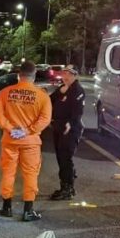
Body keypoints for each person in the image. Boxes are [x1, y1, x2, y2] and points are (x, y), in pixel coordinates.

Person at [0, 60, 52, 221]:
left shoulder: (6, 92)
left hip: (10, 140)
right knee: (30, 173)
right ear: (34, 76)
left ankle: (7, 207)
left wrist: (10, 128)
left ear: (19, 75)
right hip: (30, 142)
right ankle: (28, 210)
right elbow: (45, 119)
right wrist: (29, 130)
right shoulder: (42, 95)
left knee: (8, 172)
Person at [49, 65, 85, 200]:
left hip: (70, 129)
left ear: (74, 75)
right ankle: (65, 184)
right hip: (58, 127)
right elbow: (49, 100)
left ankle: (68, 188)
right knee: (60, 157)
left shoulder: (77, 90)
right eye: (64, 73)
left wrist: (70, 123)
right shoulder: (61, 88)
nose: (65, 76)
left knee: (65, 158)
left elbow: (77, 112)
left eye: (69, 74)